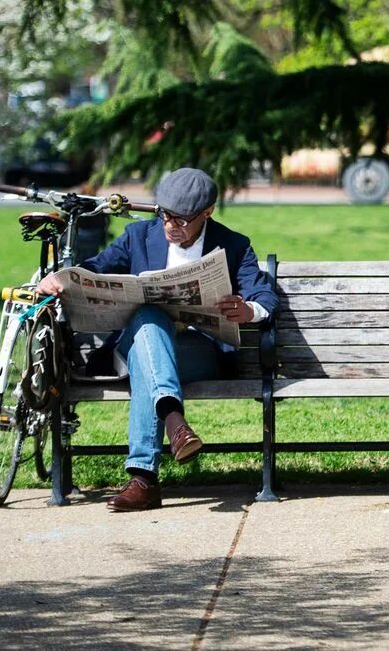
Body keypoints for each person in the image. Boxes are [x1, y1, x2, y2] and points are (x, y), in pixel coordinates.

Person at [37, 167, 275, 511]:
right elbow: (93, 269)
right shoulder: (137, 236)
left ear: (206, 213)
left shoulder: (233, 245)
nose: (170, 226)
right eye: (165, 216)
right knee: (148, 320)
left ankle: (144, 481)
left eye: (181, 220)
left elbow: (265, 299)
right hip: (133, 346)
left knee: (147, 362)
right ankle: (174, 421)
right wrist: (58, 280)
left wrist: (247, 310)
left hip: (196, 352)